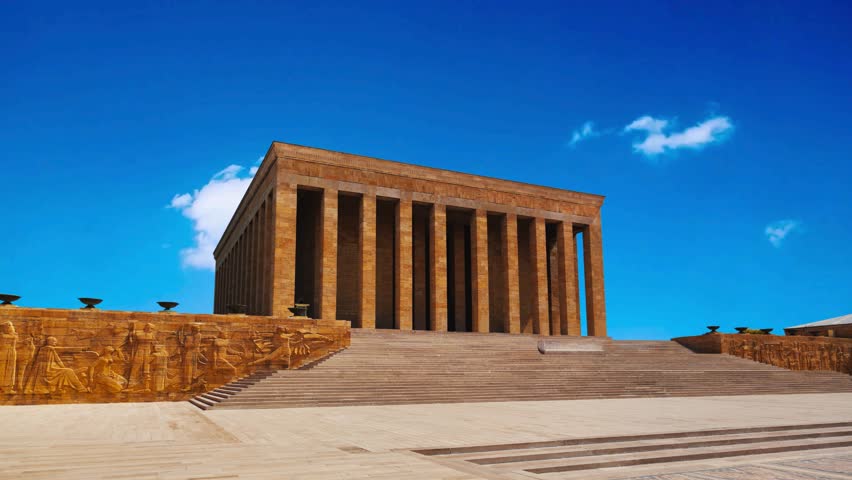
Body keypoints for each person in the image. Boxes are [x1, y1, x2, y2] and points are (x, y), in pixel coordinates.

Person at [23, 337, 89, 395]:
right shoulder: (50, 349)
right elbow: (58, 360)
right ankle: (81, 388)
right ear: (50, 342)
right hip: (50, 371)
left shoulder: (42, 349)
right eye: (54, 341)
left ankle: (72, 388)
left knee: (68, 371)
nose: (55, 343)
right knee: (69, 371)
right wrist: (64, 367)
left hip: (47, 370)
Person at [0, 321, 17, 393]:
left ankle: (8, 388)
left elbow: (14, 339)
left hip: (11, 353)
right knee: (2, 369)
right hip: (4, 353)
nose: (11, 327)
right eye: (9, 326)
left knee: (10, 370)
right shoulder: (2, 335)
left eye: (11, 325)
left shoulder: (13, 335)